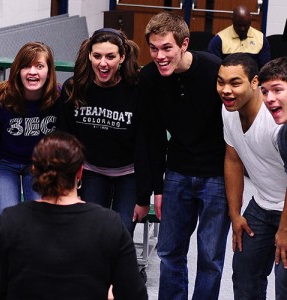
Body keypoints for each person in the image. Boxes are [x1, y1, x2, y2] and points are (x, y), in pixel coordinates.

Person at [135, 11, 230, 300]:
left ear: (184, 44)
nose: (159, 56)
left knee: (210, 257)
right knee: (169, 252)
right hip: (176, 172)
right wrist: (157, 189)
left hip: (216, 174)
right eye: (153, 48)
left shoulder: (214, 70)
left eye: (167, 48)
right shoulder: (150, 77)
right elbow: (151, 137)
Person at [0, 131, 148, 299]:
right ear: (80, 172)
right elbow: (135, 294)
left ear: (34, 170)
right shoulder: (109, 225)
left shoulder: (8, 223)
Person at [60, 28, 149, 236]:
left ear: (122, 56)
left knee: (122, 233)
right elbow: (66, 139)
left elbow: (145, 144)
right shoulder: (74, 89)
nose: (103, 63)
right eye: (97, 56)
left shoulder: (136, 90)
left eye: (111, 56)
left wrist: (144, 197)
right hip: (91, 172)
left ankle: (116, 269)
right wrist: (67, 183)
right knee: (89, 232)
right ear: (89, 55)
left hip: (128, 174)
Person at [217, 52, 287, 299]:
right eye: (221, 82)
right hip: (261, 204)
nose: (226, 90)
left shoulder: (276, 121)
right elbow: (233, 159)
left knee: (284, 285)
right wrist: (235, 214)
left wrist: (284, 229)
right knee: (244, 276)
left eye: (235, 83)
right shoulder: (229, 111)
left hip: (285, 209)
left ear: (254, 83)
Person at [0, 41, 61, 216]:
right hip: (5, 164)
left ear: (49, 71)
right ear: (18, 70)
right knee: (9, 219)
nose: (32, 72)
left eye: (39, 66)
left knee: (38, 218)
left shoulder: (58, 98)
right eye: (26, 66)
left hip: (39, 164)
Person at [208, 5, 271, 69]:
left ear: (250, 20)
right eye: (239, 25)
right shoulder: (219, 39)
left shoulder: (260, 38)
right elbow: (213, 67)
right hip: (228, 77)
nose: (242, 29)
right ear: (232, 20)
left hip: (253, 77)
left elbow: (265, 68)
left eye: (245, 25)